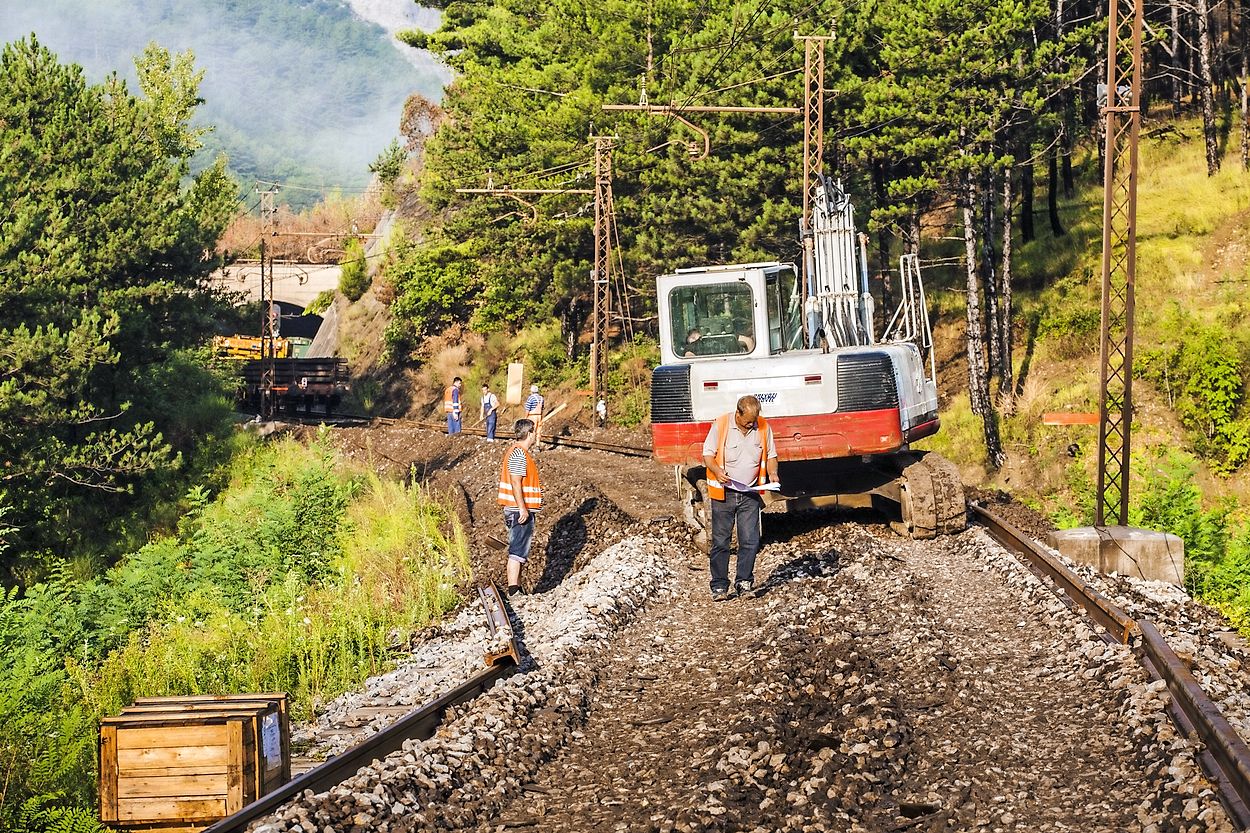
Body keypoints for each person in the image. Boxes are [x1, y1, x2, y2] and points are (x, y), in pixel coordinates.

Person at [701, 395, 778, 601]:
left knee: (750, 540)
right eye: (747, 421)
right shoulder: (721, 425)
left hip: (750, 493)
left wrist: (773, 473)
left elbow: (771, 456)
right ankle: (719, 586)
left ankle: (744, 582)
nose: (751, 425)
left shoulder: (763, 427)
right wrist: (717, 471)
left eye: (754, 420)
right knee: (720, 540)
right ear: (738, 413)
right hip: (724, 492)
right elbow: (708, 455)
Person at [497, 418, 543, 596]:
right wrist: (523, 508)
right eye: (534, 432)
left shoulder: (517, 452)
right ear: (529, 433)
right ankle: (513, 590)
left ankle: (516, 588)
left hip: (517, 510)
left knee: (519, 550)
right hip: (518, 511)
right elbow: (516, 482)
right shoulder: (518, 454)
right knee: (517, 551)